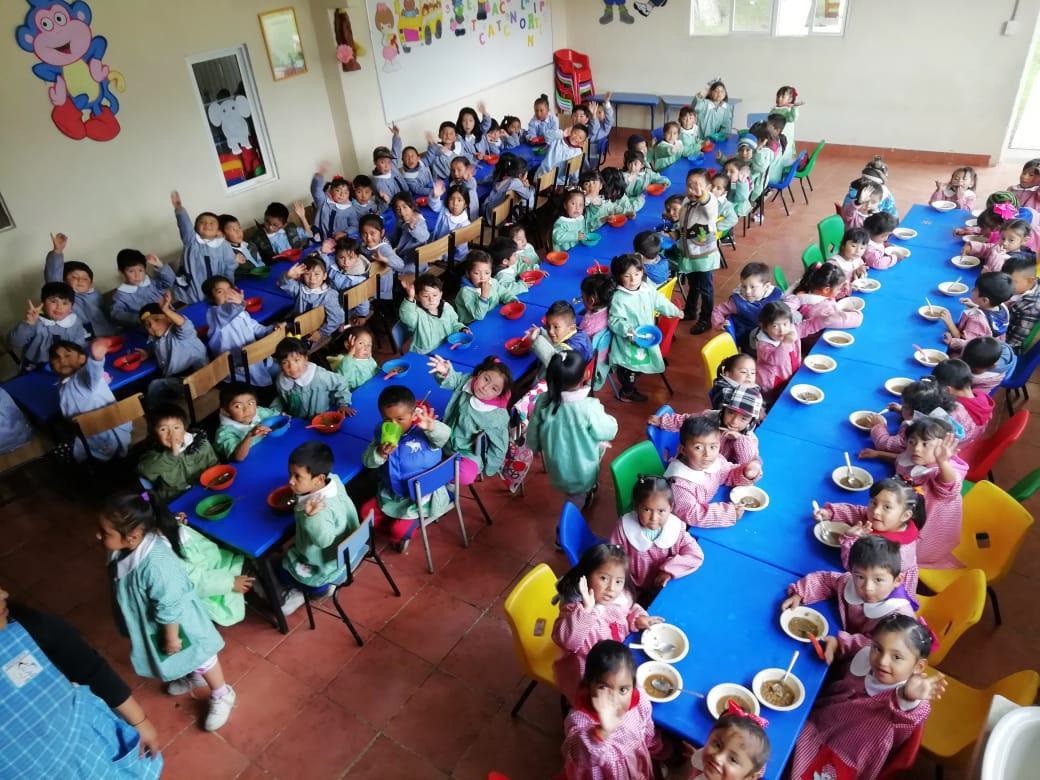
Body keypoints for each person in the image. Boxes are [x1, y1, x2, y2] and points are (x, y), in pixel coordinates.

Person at [99, 491, 235, 731]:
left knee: (202, 655)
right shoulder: (124, 547)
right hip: (159, 621)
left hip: (178, 622)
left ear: (132, 537)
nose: (98, 535)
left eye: (105, 533)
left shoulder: (157, 564)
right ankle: (193, 673)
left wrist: (171, 636)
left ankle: (222, 693)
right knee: (187, 656)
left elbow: (169, 604)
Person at [0, 586, 163, 776]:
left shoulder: (28, 624)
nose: (4, 594)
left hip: (91, 748)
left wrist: (139, 721)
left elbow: (88, 667)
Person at [789, 615, 946, 780]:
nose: (882, 661)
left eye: (896, 657)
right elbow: (857, 643)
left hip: (845, 754)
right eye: (878, 648)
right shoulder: (869, 652)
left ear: (918, 666)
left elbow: (911, 715)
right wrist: (838, 643)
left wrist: (907, 697)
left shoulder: (910, 698)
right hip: (819, 722)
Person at [552, 545, 660, 704]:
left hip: (619, 658)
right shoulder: (575, 610)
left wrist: (638, 618)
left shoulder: (620, 597)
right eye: (603, 578)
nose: (611, 588)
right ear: (586, 576)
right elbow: (568, 641)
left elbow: (628, 610)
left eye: (619, 581)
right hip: (590, 675)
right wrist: (587, 610)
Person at [784, 535, 918, 663]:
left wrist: (840, 643)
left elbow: (876, 646)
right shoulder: (849, 582)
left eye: (878, 579)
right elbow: (826, 580)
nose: (868, 587)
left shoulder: (899, 621)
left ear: (897, 580)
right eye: (860, 577)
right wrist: (800, 593)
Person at [862, 419, 966, 569]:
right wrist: (878, 454)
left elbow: (948, 483)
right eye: (912, 442)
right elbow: (901, 458)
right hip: (907, 516)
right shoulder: (916, 458)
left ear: (942, 447)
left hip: (928, 537)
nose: (916, 448)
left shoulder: (941, 470)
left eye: (925, 444)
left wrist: (942, 462)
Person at [362, 384, 452, 548]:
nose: (394, 425)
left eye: (400, 419)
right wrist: (380, 452)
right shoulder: (381, 432)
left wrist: (431, 427)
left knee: (397, 531)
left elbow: (444, 436)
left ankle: (409, 523)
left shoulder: (425, 431)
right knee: (365, 513)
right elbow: (367, 462)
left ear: (413, 414)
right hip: (392, 492)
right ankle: (395, 520)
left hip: (421, 497)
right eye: (387, 420)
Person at [562, 640, 666, 778]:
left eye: (623, 689)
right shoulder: (580, 720)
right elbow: (578, 755)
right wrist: (601, 732)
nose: (615, 700)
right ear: (588, 685)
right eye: (603, 688)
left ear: (633, 685)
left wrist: (655, 748)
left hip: (635, 762)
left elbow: (646, 728)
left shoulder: (639, 701)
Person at [278, 441, 360, 615]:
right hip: (349, 553)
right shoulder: (333, 480)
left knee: (278, 567)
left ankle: (308, 591)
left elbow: (323, 541)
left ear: (319, 479)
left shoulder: (318, 511)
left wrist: (311, 517)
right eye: (290, 474)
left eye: (297, 477)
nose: (290, 481)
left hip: (324, 570)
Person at [528, 352, 618, 511]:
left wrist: (534, 447)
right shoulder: (589, 407)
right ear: (586, 374)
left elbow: (533, 430)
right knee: (576, 498)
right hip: (582, 469)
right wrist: (612, 422)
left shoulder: (543, 401)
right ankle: (568, 520)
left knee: (572, 491)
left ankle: (581, 495)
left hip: (556, 465)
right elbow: (608, 431)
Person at [812, 478, 925, 597]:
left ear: (905, 515)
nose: (876, 511)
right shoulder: (889, 520)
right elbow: (858, 512)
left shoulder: (894, 551)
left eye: (887, 507)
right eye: (874, 503)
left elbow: (854, 567)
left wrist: (849, 539)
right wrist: (830, 513)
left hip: (878, 596)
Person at [609, 477, 704, 594]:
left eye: (661, 511)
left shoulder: (676, 529)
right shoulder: (623, 528)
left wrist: (669, 570)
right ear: (636, 507)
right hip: (632, 587)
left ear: (671, 507)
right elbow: (613, 559)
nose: (654, 518)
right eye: (647, 510)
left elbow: (696, 555)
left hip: (663, 588)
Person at [608, 253, 682, 402]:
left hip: (646, 337)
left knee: (640, 362)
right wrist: (628, 330)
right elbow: (614, 320)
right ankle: (627, 392)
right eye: (627, 276)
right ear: (619, 277)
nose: (633, 279)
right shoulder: (618, 298)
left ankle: (635, 376)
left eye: (636, 274)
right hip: (629, 341)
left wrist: (674, 311)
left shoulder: (646, 288)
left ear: (642, 272)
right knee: (629, 368)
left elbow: (660, 301)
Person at [665, 415, 761, 528]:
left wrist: (745, 473)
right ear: (683, 450)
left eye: (713, 447)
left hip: (711, 505)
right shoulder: (679, 484)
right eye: (698, 447)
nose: (708, 454)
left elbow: (728, 473)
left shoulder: (715, 461)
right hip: (684, 527)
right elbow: (693, 515)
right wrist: (728, 513)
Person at [428, 354, 512, 481]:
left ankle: (447, 479)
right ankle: (441, 467)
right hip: (445, 436)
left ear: (499, 394)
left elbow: (500, 445)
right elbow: (454, 379)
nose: (485, 388)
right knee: (421, 436)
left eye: (494, 388)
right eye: (486, 379)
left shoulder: (496, 416)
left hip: (467, 451)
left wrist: (490, 469)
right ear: (480, 373)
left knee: (466, 475)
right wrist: (445, 373)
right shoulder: (468, 381)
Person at [51, 338, 129, 462]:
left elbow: (94, 370)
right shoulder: (63, 384)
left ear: (82, 358)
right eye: (56, 358)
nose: (62, 360)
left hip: (103, 439)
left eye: (67, 355)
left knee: (58, 450)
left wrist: (96, 359)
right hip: (95, 432)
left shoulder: (84, 377)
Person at [650, 384, 764, 465]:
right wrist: (663, 421)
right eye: (730, 413)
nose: (734, 421)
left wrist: (740, 440)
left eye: (743, 418)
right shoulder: (711, 416)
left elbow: (747, 464)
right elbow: (688, 421)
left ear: (751, 421)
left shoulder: (750, 439)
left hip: (720, 475)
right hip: (694, 465)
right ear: (724, 409)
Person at [135, 292, 208, 409]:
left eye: (157, 319)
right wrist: (148, 353)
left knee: (155, 385)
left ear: (169, 319)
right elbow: (163, 350)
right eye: (147, 325)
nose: (152, 326)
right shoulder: (157, 339)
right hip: (179, 380)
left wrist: (166, 310)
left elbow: (183, 324)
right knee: (148, 383)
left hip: (196, 379)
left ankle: (156, 413)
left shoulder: (181, 333)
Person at [175, 515, 252, 627]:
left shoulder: (169, 530)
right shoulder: (164, 555)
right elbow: (195, 582)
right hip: (215, 584)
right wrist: (231, 583)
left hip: (220, 562)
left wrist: (177, 523)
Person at [169, 191, 241, 304]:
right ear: (196, 228)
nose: (207, 224)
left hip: (219, 293)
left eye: (212, 223)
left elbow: (229, 267)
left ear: (218, 230)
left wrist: (230, 287)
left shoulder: (223, 245)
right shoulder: (191, 241)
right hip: (193, 292)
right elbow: (185, 226)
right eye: (202, 222)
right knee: (198, 310)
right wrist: (179, 209)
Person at [136, 404, 218, 502]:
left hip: (203, 490)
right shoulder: (154, 454)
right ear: (155, 433)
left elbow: (214, 465)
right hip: (174, 500)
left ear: (184, 428)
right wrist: (172, 455)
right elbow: (145, 471)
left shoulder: (200, 444)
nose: (171, 434)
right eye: (163, 429)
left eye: (176, 427)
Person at [202, 276, 275, 385]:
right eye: (220, 292)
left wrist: (273, 329)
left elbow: (256, 328)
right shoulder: (214, 315)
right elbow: (228, 311)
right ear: (211, 298)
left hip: (258, 359)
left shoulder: (241, 312)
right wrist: (240, 304)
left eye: (229, 289)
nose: (227, 294)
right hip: (240, 371)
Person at [44, 231, 117, 336]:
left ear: (91, 284)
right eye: (74, 277)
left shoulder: (95, 295)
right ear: (64, 281)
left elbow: (108, 314)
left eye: (85, 278)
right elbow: (53, 279)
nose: (80, 280)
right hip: (82, 339)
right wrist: (57, 251)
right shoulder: (65, 297)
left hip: (109, 335)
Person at [675, 169, 721, 333]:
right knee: (693, 285)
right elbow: (683, 222)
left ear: (708, 187)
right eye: (689, 185)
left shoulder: (710, 201)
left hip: (704, 256)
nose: (692, 189)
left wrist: (702, 195)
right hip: (689, 253)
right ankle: (690, 311)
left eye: (697, 185)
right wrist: (676, 232)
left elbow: (708, 208)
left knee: (706, 288)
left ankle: (705, 319)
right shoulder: (687, 200)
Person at [711, 262, 791, 350]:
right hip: (747, 340)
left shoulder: (775, 294)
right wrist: (719, 323)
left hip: (771, 334)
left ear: (766, 286)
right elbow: (717, 310)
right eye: (744, 286)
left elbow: (786, 302)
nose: (747, 291)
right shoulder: (737, 302)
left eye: (752, 287)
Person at [270, 337, 354, 419]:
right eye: (285, 362)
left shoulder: (319, 375)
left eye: (296, 360)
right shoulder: (281, 381)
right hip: (299, 422)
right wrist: (274, 413)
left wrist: (343, 404)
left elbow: (341, 382)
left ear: (306, 359)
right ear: (280, 365)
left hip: (324, 418)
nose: (292, 367)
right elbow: (282, 399)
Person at [9, 281, 86, 369]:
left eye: (65, 303)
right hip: (35, 367)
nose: (59, 307)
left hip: (65, 367)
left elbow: (79, 345)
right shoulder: (35, 321)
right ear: (43, 303)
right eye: (53, 301)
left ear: (71, 307)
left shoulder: (75, 322)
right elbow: (14, 342)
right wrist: (28, 324)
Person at [682, 706, 771, 779]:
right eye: (717, 745)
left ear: (749, 777)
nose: (717, 757)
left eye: (733, 759)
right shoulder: (709, 762)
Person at [938, 272, 1014, 355]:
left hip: (975, 354)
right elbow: (989, 314)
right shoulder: (1003, 307)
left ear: (985, 300)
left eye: (975, 290)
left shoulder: (977, 320)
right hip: (994, 347)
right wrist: (976, 306)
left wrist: (949, 323)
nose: (972, 290)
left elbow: (965, 341)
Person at [278, 256, 345, 341]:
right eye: (307, 274)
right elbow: (284, 285)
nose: (312, 278)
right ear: (302, 276)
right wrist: (287, 276)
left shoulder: (329, 295)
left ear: (324, 276)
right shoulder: (300, 288)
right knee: (277, 328)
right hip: (296, 323)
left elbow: (337, 318)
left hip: (313, 331)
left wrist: (321, 332)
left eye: (317, 274)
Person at [931, 359, 994, 445]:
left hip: (958, 445)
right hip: (974, 437)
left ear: (947, 390)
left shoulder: (955, 411)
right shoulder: (981, 395)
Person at [400, 273, 466, 354]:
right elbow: (406, 316)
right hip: (426, 354)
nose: (431, 299)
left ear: (440, 294)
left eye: (435, 295)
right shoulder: (417, 314)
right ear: (417, 297)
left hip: (446, 348)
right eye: (425, 296)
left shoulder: (446, 308)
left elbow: (454, 324)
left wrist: (462, 329)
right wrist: (410, 297)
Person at [213, 382, 281, 462]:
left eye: (251, 403)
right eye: (238, 406)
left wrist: (283, 415)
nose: (247, 410)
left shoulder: (259, 412)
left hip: (267, 454)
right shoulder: (224, 433)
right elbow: (238, 458)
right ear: (225, 411)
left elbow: (277, 415)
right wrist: (250, 435)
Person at [111, 249, 177, 329]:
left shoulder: (151, 282)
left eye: (140, 270)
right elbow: (116, 314)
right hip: (149, 329)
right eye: (131, 271)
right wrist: (140, 318)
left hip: (171, 319)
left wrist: (159, 266)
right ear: (121, 272)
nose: (137, 275)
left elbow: (170, 281)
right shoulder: (121, 295)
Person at [752, 301, 807, 395]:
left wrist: (826, 319)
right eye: (775, 326)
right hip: (772, 385)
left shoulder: (791, 330)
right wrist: (785, 343)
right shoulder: (763, 345)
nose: (782, 330)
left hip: (790, 375)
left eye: (785, 324)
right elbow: (775, 360)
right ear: (764, 327)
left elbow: (809, 325)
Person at [791, 262, 862, 334]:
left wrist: (844, 289)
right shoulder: (823, 309)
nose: (839, 291)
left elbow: (832, 296)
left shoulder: (810, 293)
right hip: (821, 336)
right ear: (826, 289)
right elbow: (840, 320)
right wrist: (858, 315)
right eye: (838, 289)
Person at [454, 251, 524, 324]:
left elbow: (503, 293)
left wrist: (512, 299)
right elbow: (478, 316)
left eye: (487, 273)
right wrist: (484, 296)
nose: (483, 277)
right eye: (476, 273)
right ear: (468, 274)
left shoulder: (493, 282)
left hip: (492, 318)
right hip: (473, 325)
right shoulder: (466, 292)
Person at [528, 300, 594, 371]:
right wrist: (541, 332)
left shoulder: (569, 349)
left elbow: (553, 362)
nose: (550, 331)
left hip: (565, 375)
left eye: (556, 327)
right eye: (548, 326)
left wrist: (535, 341)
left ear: (571, 328)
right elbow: (557, 342)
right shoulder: (579, 333)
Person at [360, 214, 412, 299]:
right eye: (364, 234)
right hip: (370, 288)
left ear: (382, 232)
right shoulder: (362, 246)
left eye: (372, 233)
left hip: (382, 292)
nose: (368, 238)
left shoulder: (383, 248)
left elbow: (400, 264)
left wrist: (383, 259)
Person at [962, 218, 1034, 273]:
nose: (1005, 243)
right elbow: (988, 249)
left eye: (1011, 240)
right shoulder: (1000, 247)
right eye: (1003, 238)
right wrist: (971, 247)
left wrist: (997, 256)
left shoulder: (1017, 261)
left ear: (1024, 240)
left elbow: (996, 275)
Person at [1003, 254, 1040, 351]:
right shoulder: (1020, 287)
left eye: (1012, 282)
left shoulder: (1030, 308)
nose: (1005, 284)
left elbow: (1013, 343)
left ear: (1031, 280)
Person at [310, 164, 356, 240]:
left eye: (345, 192)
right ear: (331, 191)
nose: (342, 194)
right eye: (338, 190)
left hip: (341, 240)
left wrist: (345, 233)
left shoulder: (350, 208)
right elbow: (316, 191)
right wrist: (318, 177)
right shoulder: (324, 201)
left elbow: (354, 225)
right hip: (320, 239)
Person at [429, 181, 473, 259]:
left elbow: (461, 249)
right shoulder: (444, 209)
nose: (455, 203)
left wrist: (457, 260)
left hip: (449, 254)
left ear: (465, 204)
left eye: (459, 200)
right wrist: (435, 197)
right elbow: (434, 205)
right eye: (452, 199)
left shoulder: (464, 224)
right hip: (437, 243)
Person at [390, 125, 435, 198]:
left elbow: (431, 155)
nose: (410, 159)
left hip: (433, 188)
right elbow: (418, 190)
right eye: (406, 157)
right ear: (402, 160)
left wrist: (430, 143)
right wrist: (433, 191)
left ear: (418, 158)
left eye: (412, 156)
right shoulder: (407, 177)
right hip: (421, 196)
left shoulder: (422, 163)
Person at [332, 325, 379, 390]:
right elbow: (343, 378)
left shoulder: (368, 358)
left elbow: (375, 370)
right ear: (348, 345)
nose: (366, 348)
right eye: (361, 343)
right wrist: (350, 354)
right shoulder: (345, 363)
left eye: (369, 345)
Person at [771, 85, 804, 165]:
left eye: (782, 97)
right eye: (778, 96)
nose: (779, 99)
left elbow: (793, 117)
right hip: (774, 137)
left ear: (790, 99)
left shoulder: (787, 110)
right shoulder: (774, 109)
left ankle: (784, 168)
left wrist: (795, 108)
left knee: (784, 155)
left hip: (785, 138)